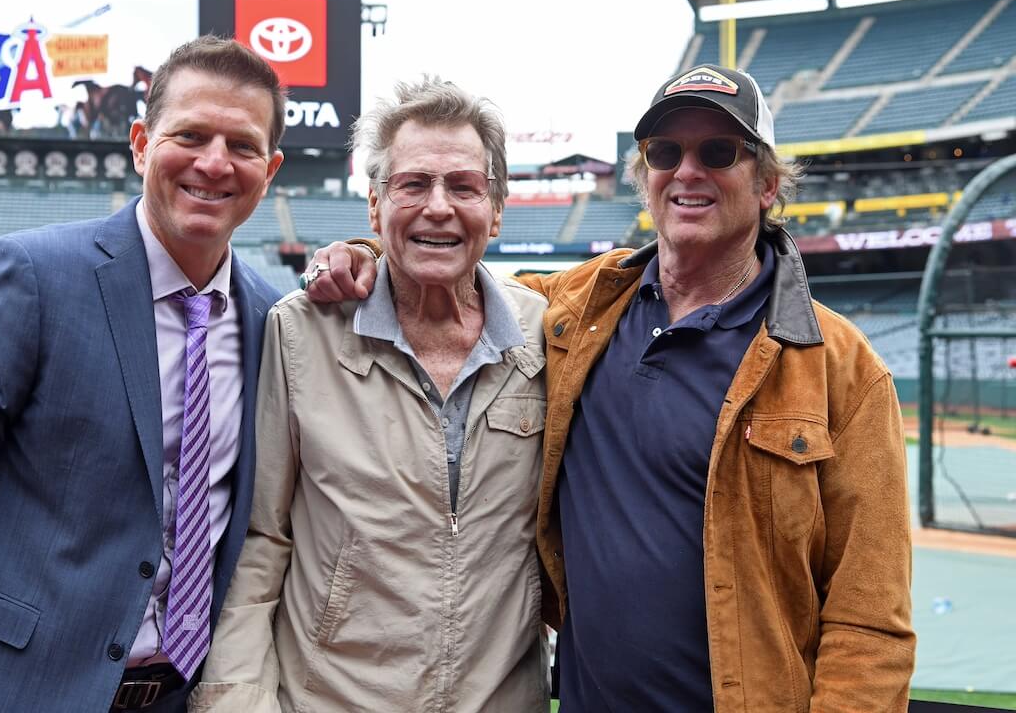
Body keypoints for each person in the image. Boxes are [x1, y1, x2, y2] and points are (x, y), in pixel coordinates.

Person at [304, 64, 916, 711]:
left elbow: (870, 620)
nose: (687, 171)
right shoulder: (575, 307)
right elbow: (451, 275)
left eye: (718, 151)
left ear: (767, 183)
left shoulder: (840, 367)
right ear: (644, 177)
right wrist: (365, 251)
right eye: (665, 152)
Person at [0, 35, 287, 713]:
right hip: (17, 690)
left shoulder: (270, 318)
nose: (214, 163)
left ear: (271, 167)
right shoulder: (29, 277)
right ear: (140, 143)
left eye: (243, 145)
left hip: (190, 696)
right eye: (190, 134)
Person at [188, 77, 550, 713]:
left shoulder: (547, 334)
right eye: (412, 185)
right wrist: (236, 702)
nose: (438, 206)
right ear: (376, 208)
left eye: (463, 186)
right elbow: (259, 539)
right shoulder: (301, 331)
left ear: (496, 208)